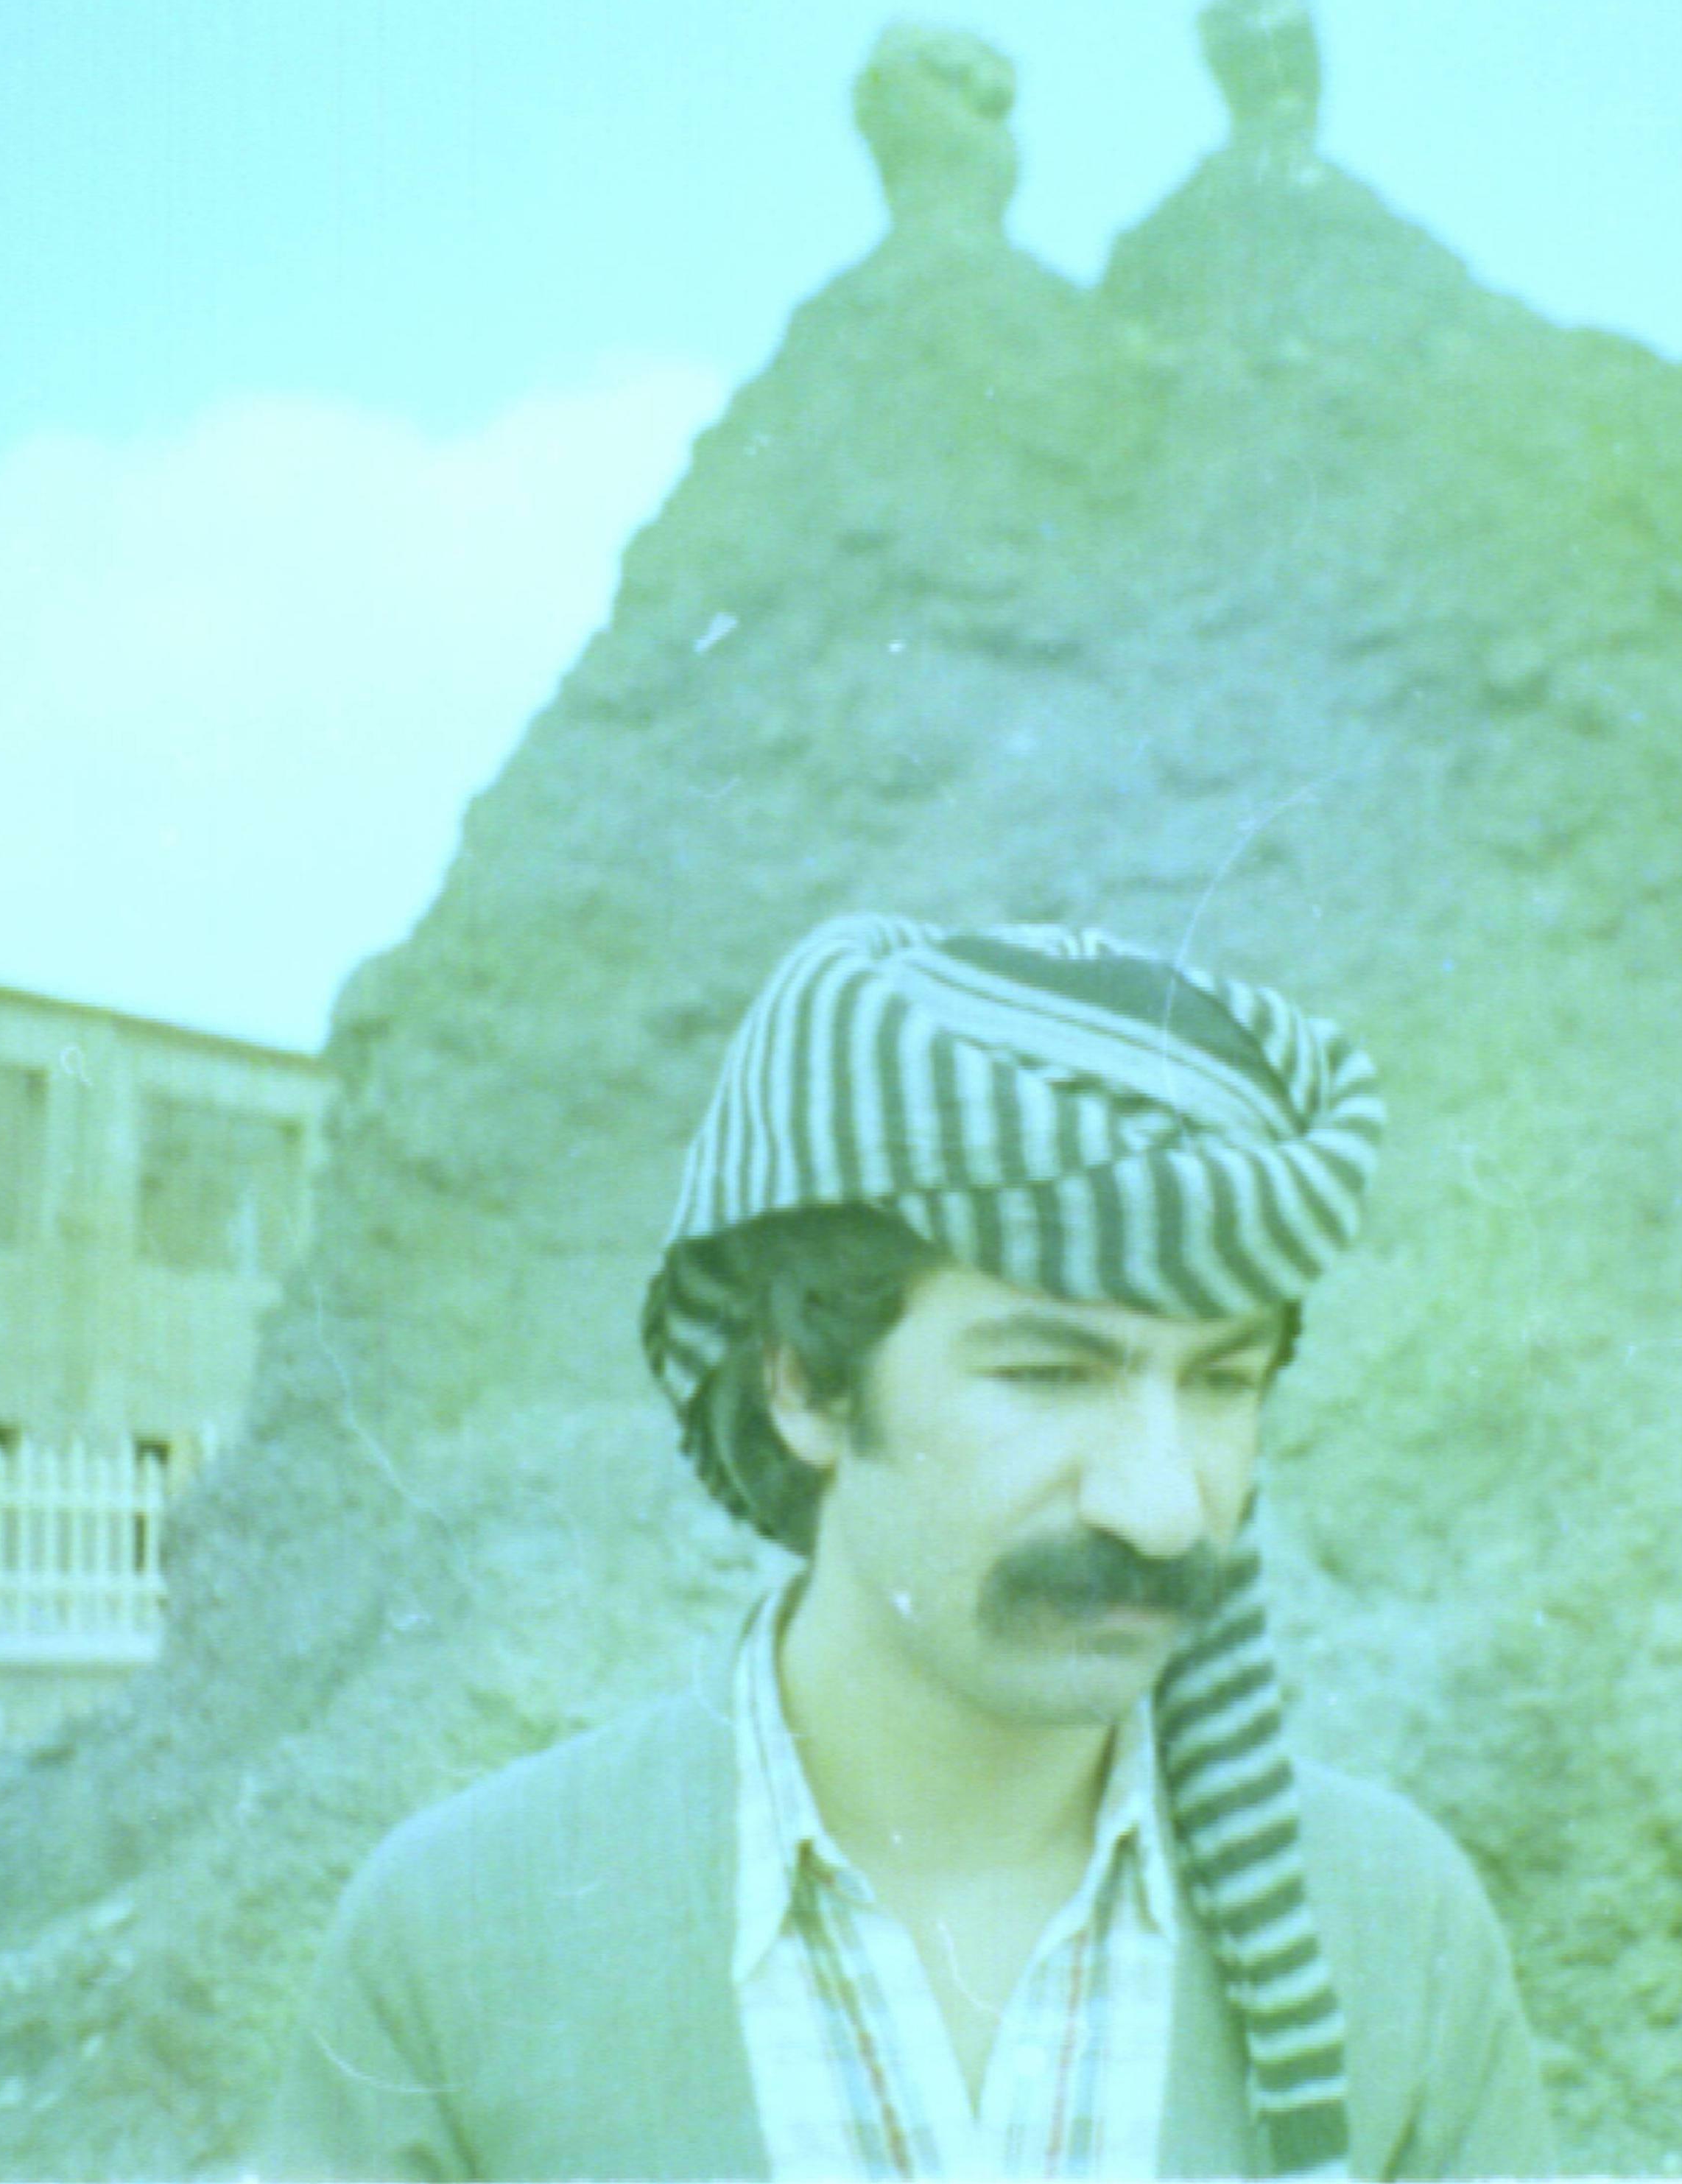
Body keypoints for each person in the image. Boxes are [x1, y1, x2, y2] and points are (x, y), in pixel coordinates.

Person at [265, 913, 1553, 2181]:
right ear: (806, 1385)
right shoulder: (459, 1943)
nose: (1162, 1508)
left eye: (1222, 1382)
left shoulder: (1400, 1937)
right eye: (1050, 1373)